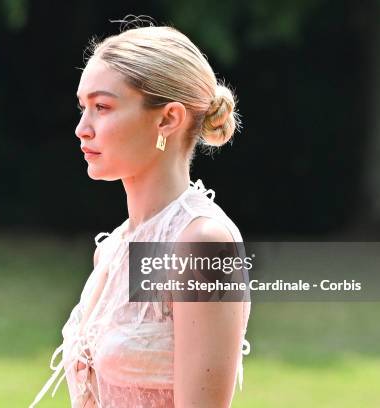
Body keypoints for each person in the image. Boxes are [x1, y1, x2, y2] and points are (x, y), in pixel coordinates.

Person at [30, 21, 251, 408]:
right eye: (83, 108)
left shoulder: (202, 244)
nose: (83, 128)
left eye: (102, 107)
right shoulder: (114, 249)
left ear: (168, 119)